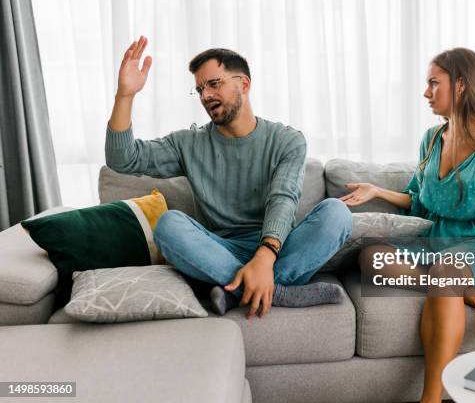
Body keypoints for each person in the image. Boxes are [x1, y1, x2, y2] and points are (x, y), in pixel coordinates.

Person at [105, 36, 352, 319]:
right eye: (199, 89)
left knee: (337, 212)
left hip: (278, 247)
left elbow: (282, 200)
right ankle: (281, 292)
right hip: (220, 250)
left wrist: (264, 257)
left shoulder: (287, 140)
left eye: (214, 83)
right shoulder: (187, 144)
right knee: (168, 224)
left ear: (243, 84)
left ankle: (239, 289)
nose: (205, 95)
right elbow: (122, 159)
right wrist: (125, 95)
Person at [341, 47, 475, 403]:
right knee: (369, 258)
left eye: (434, 83)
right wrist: (376, 191)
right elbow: (418, 198)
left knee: (446, 273)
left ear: (461, 85)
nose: (426, 92)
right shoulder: (431, 138)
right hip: (436, 241)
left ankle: (430, 398)